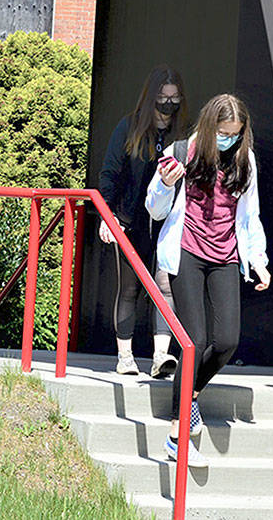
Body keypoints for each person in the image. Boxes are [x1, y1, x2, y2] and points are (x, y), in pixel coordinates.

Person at [146, 93, 270, 469]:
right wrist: (167, 185)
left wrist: (260, 262)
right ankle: (176, 434)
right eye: (223, 133)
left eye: (235, 134)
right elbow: (153, 208)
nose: (228, 140)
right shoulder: (181, 151)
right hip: (186, 252)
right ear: (209, 127)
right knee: (194, 341)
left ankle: (192, 392)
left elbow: (250, 217)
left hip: (226, 255)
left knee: (227, 339)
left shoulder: (243, 160)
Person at [97, 64, 188, 377]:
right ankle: (125, 356)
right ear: (151, 97)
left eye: (175, 98)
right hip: (130, 219)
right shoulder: (131, 127)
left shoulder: (183, 134)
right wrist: (108, 216)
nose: (169, 104)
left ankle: (161, 355)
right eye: (163, 97)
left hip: (168, 224)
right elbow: (110, 173)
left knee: (164, 286)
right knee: (130, 288)